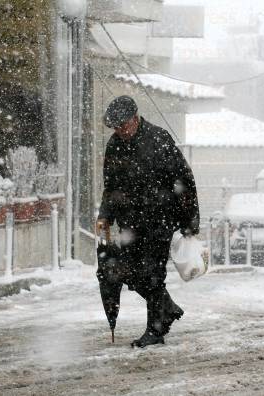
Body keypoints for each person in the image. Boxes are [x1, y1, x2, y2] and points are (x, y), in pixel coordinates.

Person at [96, 96, 200, 348]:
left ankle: (155, 329)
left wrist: (190, 220)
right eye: (116, 128)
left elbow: (184, 180)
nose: (120, 131)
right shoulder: (114, 145)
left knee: (152, 274)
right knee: (128, 272)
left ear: (134, 118)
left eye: (122, 126)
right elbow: (111, 187)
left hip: (159, 219)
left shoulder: (159, 139)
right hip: (130, 222)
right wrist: (105, 217)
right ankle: (167, 308)